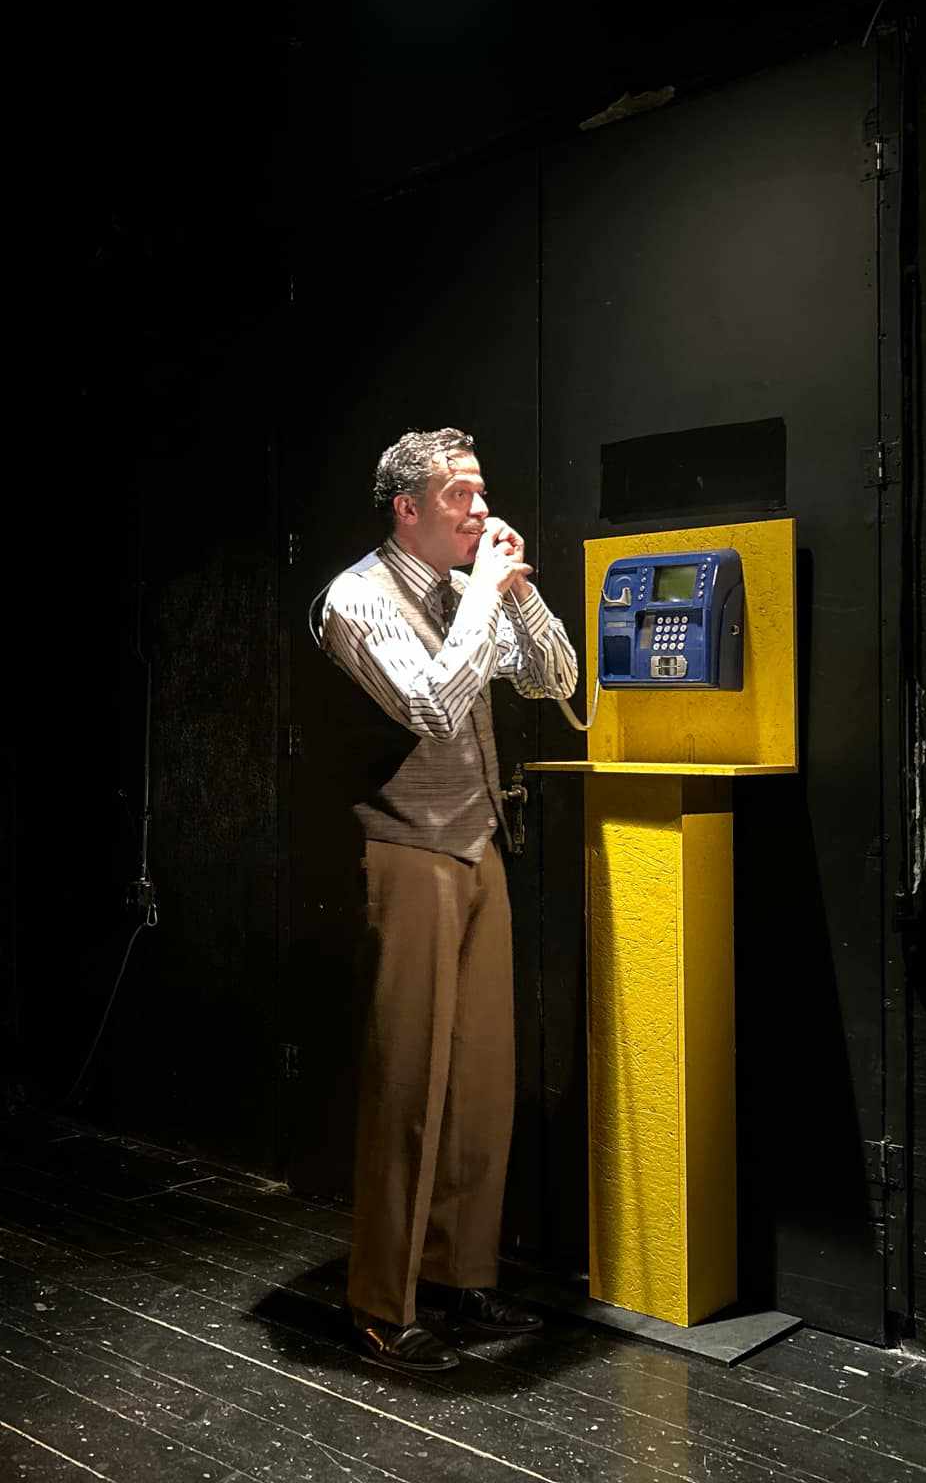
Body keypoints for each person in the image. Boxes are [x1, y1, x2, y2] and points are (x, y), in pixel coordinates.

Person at [317, 427, 579, 1374]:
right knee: (407, 1084)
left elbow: (557, 680)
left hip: (477, 845)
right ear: (408, 509)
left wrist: (518, 593)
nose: (480, 509)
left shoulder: (466, 589)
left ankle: (462, 1278)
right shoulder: (356, 599)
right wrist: (479, 603)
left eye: (480, 491)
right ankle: (382, 1303)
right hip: (404, 849)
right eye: (460, 495)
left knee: (479, 1084)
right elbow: (430, 704)